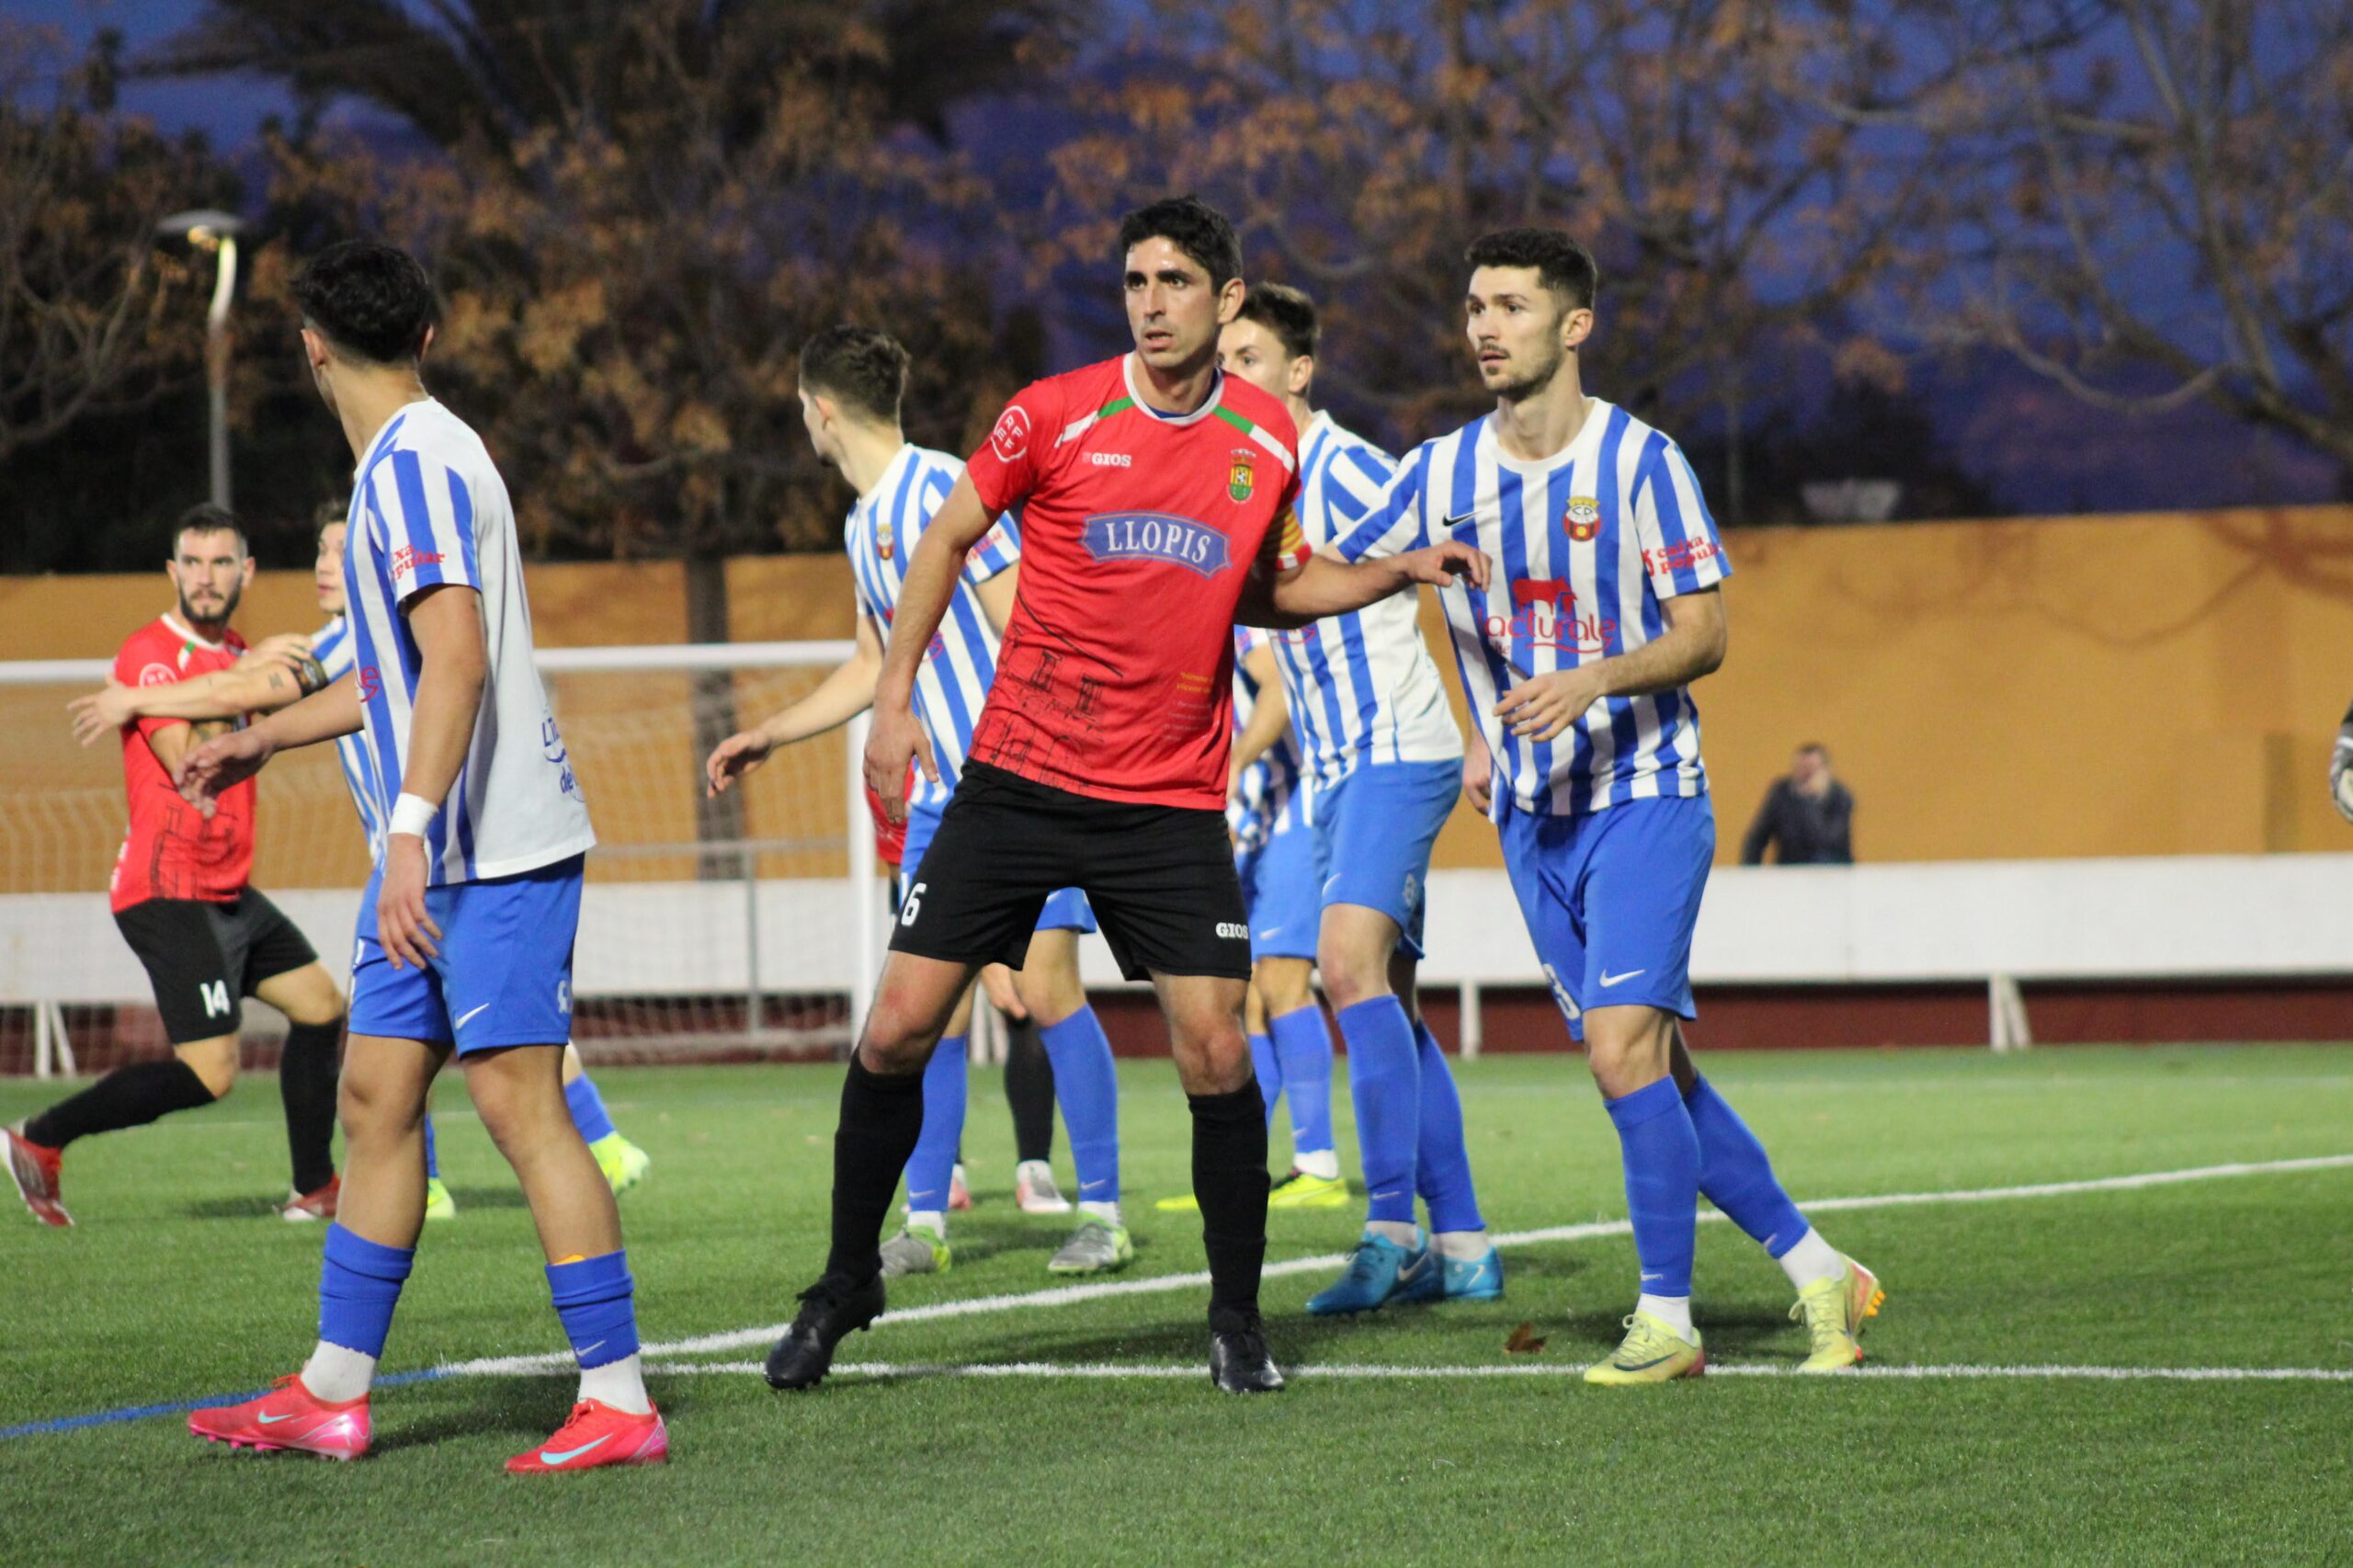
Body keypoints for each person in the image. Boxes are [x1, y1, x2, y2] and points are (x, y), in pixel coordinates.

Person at [761, 195, 1485, 1397]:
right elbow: (944, 541)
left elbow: (1268, 586)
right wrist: (892, 700)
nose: (1151, 303)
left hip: (1165, 800)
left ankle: (1235, 1317)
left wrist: (1394, 571)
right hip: (1017, 778)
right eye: (1137, 281)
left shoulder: (1266, 436)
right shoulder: (1054, 412)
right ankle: (844, 1282)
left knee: (1216, 1048)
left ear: (1227, 298)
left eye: (1176, 282)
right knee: (894, 1027)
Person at [1335, 227, 1884, 1382]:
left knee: (1618, 1049)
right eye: (1474, 305)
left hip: (1645, 794)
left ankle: (1667, 1320)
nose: (1485, 326)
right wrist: (1405, 609)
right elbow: (1316, 575)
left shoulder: (1641, 463)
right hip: (1531, 819)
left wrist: (1590, 679)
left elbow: (1705, 633)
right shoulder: (1436, 473)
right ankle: (1816, 1265)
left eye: (1512, 305)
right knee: (1654, 1069)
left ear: (1574, 323)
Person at [176, 238, 664, 1469]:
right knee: (375, 1097)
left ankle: (619, 1399)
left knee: (517, 1103)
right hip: (437, 852)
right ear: (427, 335)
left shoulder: (419, 463)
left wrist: (404, 832)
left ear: (311, 346)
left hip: (489, 851)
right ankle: (333, 1390)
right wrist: (267, 736)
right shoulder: (407, 459)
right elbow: (396, 676)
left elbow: (456, 661)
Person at [70, 504, 654, 1222]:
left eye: (341, 550)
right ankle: (586, 1152)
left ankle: (435, 1184)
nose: (326, 564)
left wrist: (135, 698)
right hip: (421, 859)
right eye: (320, 549)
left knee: (412, 1045)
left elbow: (239, 693)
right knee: (460, 1032)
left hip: (429, 863)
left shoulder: (361, 641)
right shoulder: (366, 638)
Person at [708, 325, 1122, 1278]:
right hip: (942, 806)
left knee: (1048, 988)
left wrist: (1046, 759)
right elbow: (872, 662)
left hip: (1022, 785)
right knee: (921, 1008)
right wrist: (774, 731)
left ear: (820, 411)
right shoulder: (864, 525)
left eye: (800, 409)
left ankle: (1103, 1211)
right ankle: (926, 1219)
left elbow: (1025, 620)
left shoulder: (944, 485)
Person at [1218, 283, 1499, 1312]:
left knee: (1340, 965)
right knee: (1391, 1003)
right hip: (1333, 770)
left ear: (1298, 371)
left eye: (1248, 359)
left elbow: (1455, 575)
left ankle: (1387, 1229)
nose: (1229, 379)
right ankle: (1463, 1245)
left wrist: (1485, 728)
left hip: (1398, 749)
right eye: (1221, 363)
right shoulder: (1245, 479)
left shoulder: (1347, 468)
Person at [6, 506, 348, 1229]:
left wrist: (251, 673)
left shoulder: (237, 655)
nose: (205, 578)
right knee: (212, 1073)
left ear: (245, 572)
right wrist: (240, 676)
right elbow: (188, 760)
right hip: (166, 889)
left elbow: (262, 703)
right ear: (172, 572)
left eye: (221, 563)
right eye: (192, 563)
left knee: (322, 1006)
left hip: (226, 888)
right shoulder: (149, 655)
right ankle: (40, 1137)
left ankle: (315, 1188)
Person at [1156, 625, 1345, 1213]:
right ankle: (1241, 1171)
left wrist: (1232, 766)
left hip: (1299, 810)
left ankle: (1319, 1162)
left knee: (1283, 982)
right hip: (1264, 821)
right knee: (1251, 1000)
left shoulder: (1242, 615)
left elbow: (1281, 688)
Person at [1739, 744, 1855, 865]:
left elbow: (1824, 841)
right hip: (1790, 865)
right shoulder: (1781, 794)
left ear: (1826, 771)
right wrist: (1750, 869)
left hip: (1831, 867)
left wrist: (1809, 799)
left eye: (1811, 769)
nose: (1806, 775)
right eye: (1801, 768)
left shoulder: (1841, 797)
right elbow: (1758, 836)